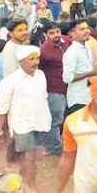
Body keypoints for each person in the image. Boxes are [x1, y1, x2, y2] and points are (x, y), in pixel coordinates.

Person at [0, 45, 51, 189]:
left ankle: (21, 185)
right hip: (22, 126)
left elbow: (43, 99)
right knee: (28, 158)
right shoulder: (10, 81)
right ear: (21, 62)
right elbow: (2, 109)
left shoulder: (41, 75)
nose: (35, 62)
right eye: (31, 59)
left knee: (32, 158)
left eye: (37, 58)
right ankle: (29, 187)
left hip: (41, 123)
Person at [63, 19, 97, 116]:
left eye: (87, 28)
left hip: (89, 97)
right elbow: (67, 78)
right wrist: (91, 72)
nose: (87, 31)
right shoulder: (72, 52)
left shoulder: (87, 48)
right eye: (82, 29)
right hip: (78, 100)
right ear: (72, 34)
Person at [38, 21, 68, 155]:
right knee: (55, 119)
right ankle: (54, 147)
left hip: (70, 86)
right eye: (51, 33)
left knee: (65, 117)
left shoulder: (67, 42)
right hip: (54, 88)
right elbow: (40, 70)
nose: (55, 35)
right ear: (45, 34)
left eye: (57, 32)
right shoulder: (44, 51)